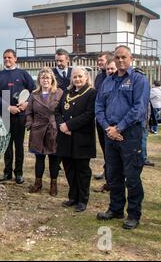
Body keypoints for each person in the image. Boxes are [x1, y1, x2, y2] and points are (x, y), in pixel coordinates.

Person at [95, 45, 150, 230]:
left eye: (124, 57)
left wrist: (118, 128)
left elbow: (139, 108)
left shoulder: (138, 80)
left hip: (130, 134)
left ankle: (133, 214)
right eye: (117, 57)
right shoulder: (107, 81)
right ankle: (116, 209)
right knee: (113, 174)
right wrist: (108, 128)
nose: (120, 60)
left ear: (131, 58)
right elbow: (99, 107)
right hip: (110, 133)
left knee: (132, 176)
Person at [56, 66, 97, 212]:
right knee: (69, 168)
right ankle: (73, 197)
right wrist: (61, 125)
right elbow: (58, 111)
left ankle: (82, 200)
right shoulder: (67, 92)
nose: (77, 79)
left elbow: (89, 114)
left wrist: (69, 125)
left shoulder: (92, 93)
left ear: (86, 77)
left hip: (81, 138)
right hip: (65, 138)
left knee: (82, 170)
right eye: (75, 77)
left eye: (80, 76)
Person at [0, 49, 36, 184]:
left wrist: (27, 103)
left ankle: (19, 173)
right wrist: (8, 107)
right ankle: (7, 172)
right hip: (5, 115)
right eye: (5, 57)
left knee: (18, 145)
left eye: (10, 57)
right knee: (6, 145)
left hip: (20, 115)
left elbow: (33, 91)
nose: (7, 60)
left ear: (15, 59)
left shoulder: (23, 74)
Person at [25, 68, 63, 196]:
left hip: (53, 129)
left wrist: (60, 125)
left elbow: (63, 111)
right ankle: (38, 183)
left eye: (47, 78)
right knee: (39, 158)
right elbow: (28, 111)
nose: (45, 80)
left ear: (52, 79)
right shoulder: (34, 94)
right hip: (38, 129)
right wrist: (30, 124)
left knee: (54, 158)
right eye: (43, 78)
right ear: (39, 80)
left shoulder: (59, 93)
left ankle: (53, 184)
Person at [93, 52, 113, 182]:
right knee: (105, 149)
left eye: (102, 60)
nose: (100, 63)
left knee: (112, 151)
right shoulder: (99, 77)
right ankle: (107, 172)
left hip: (112, 121)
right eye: (98, 61)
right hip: (100, 120)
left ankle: (112, 177)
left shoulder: (115, 77)